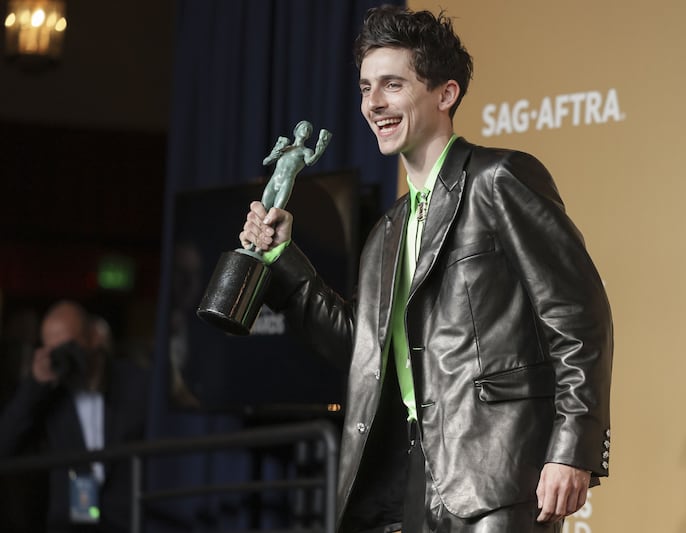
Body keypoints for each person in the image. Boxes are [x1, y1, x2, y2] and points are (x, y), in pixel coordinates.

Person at [239, 6, 613, 532]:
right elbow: (361, 350)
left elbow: (578, 317)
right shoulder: (387, 228)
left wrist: (572, 448)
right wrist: (282, 259)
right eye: (366, 87)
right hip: (402, 479)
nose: (373, 103)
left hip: (494, 473)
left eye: (392, 84)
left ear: (446, 93)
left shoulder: (499, 179)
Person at [0, 300, 150, 533]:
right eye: (54, 350)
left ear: (94, 337)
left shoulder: (134, 381)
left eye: (69, 346)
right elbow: (5, 442)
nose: (64, 356)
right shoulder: (49, 397)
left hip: (128, 520)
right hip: (71, 523)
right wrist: (35, 384)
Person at [259, 120, 333, 211]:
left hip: (286, 183)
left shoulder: (306, 151)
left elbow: (309, 162)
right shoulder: (285, 147)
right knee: (262, 210)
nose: (306, 130)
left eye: (308, 130)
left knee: (275, 213)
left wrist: (319, 149)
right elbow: (265, 162)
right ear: (296, 130)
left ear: (308, 136)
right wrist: (276, 152)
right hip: (273, 181)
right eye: (303, 127)